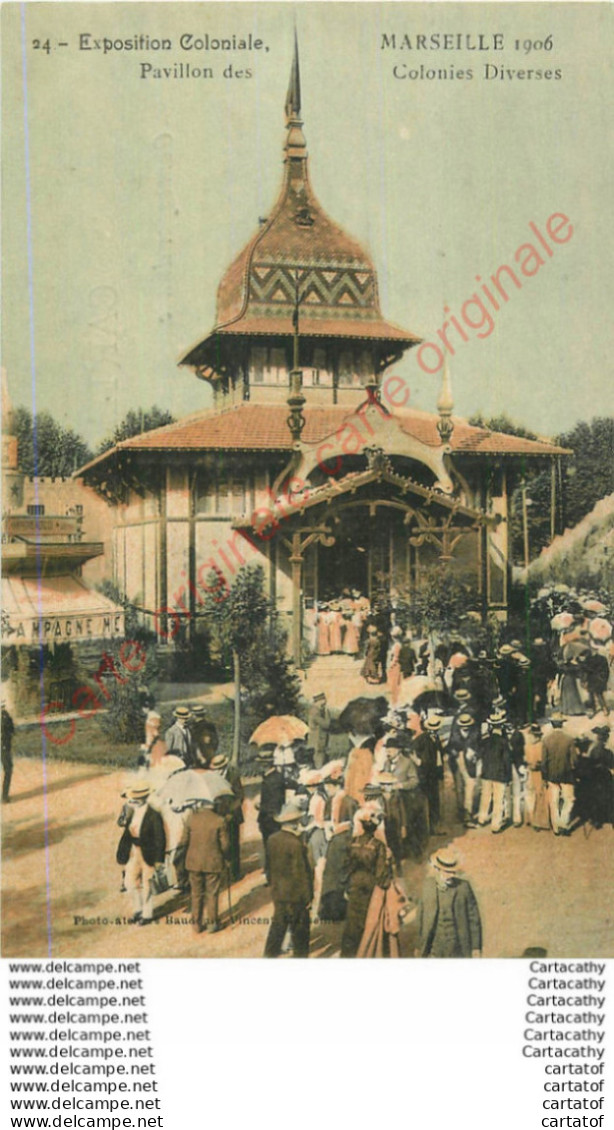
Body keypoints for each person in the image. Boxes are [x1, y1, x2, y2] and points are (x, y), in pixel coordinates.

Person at [341, 808, 391, 958]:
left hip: (354, 883)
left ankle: (348, 954)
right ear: (375, 828)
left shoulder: (353, 842)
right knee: (368, 920)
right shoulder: (378, 846)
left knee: (352, 921)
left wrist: (346, 885)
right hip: (370, 886)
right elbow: (381, 872)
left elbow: (346, 866)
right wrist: (386, 885)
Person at [264, 805, 313, 958]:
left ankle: (269, 954)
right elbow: (301, 872)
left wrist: (272, 884)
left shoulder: (272, 839)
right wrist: (308, 896)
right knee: (300, 930)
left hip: (278, 891)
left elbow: (268, 866)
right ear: (294, 822)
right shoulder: (296, 844)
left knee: (278, 925)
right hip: (295, 895)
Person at [416, 848, 482, 958]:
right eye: (447, 871)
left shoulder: (463, 888)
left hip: (457, 947)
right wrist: (418, 945)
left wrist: (476, 947)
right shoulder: (427, 886)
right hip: (433, 947)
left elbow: (474, 919)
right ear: (438, 869)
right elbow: (420, 918)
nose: (451, 875)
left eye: (453, 871)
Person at [116, 782, 166, 926]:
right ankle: (138, 909)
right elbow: (126, 831)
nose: (130, 801)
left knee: (147, 885)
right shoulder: (131, 811)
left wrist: (159, 860)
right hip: (134, 851)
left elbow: (160, 838)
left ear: (142, 799)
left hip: (148, 854)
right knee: (130, 883)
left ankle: (147, 914)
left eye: (133, 799)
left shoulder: (154, 815)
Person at [184, 797, 230, 934]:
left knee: (196, 893)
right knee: (212, 893)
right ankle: (212, 924)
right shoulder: (219, 820)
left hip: (193, 862)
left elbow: (183, 841)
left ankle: (196, 925)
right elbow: (225, 845)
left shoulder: (191, 818)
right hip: (213, 862)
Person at [209, 753, 244, 881]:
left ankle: (235, 872)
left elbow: (240, 796)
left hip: (232, 815)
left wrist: (231, 813)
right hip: (218, 816)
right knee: (220, 845)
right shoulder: (212, 778)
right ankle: (223, 870)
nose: (218, 771)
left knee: (234, 844)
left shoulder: (233, 776)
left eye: (220, 768)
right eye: (216, 769)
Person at [541, 713, 578, 835]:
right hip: (566, 774)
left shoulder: (546, 739)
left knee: (554, 800)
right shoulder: (569, 739)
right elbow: (574, 760)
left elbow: (544, 761)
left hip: (551, 774)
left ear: (552, 724)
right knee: (569, 799)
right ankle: (563, 820)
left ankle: (556, 827)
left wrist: (544, 776)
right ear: (562, 724)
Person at [477, 711, 512, 833]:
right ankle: (495, 825)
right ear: (501, 726)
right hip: (499, 774)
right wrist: (508, 777)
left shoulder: (485, 741)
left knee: (485, 797)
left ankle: (482, 818)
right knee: (498, 800)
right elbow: (507, 761)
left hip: (486, 773)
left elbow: (480, 756)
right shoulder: (504, 743)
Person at [412, 716, 445, 834]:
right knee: (424, 802)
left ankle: (434, 827)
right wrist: (418, 762)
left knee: (434, 801)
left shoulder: (436, 738)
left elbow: (439, 758)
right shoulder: (422, 738)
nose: (434, 731)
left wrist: (440, 773)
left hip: (434, 774)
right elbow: (412, 750)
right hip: (424, 774)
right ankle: (424, 828)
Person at [257, 750, 286, 880]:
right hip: (269, 818)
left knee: (270, 846)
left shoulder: (272, 779)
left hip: (270, 819)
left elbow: (274, 803)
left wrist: (260, 807)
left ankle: (272, 875)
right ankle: (271, 872)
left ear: (266, 764)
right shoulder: (275, 776)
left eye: (262, 763)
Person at [523, 723, 550, 831]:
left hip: (537, 773)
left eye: (533, 736)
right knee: (534, 796)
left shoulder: (540, 746)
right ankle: (534, 820)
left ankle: (535, 820)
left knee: (537, 796)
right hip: (533, 773)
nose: (532, 738)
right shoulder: (531, 746)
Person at [307, 692, 332, 770]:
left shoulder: (314, 710)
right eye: (323, 701)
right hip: (318, 741)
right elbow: (326, 724)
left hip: (316, 740)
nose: (324, 704)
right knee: (319, 762)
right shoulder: (315, 712)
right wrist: (327, 714)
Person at [1, 704, 15, 804]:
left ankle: (5, 796)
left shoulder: (6, 716)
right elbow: (12, 731)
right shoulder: (6, 717)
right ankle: (4, 797)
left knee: (8, 769)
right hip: (3, 746)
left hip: (4, 746)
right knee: (8, 769)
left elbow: (12, 730)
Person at [387, 625, 404, 705]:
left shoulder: (397, 645)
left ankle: (395, 702)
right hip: (397, 665)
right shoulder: (399, 644)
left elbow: (395, 658)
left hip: (395, 666)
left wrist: (390, 666)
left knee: (394, 684)